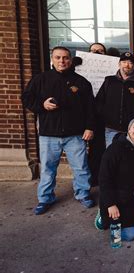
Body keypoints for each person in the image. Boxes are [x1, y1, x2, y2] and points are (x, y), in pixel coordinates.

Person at [21, 46, 96, 215]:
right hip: (49, 134)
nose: (62, 61)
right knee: (48, 168)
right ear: (52, 59)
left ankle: (83, 194)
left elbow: (91, 108)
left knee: (81, 167)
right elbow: (26, 98)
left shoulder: (81, 82)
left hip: (75, 134)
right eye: (58, 58)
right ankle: (45, 198)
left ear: (70, 60)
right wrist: (42, 105)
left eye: (65, 58)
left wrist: (89, 127)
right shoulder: (40, 79)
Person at [95, 118, 134, 242]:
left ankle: (124, 223)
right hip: (116, 199)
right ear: (128, 129)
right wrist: (110, 204)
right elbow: (104, 178)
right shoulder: (114, 149)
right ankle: (103, 216)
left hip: (133, 198)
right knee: (131, 235)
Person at [95, 52, 134, 148]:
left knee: (131, 159)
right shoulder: (109, 81)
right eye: (124, 62)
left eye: (130, 63)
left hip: (132, 130)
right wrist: (105, 117)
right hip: (111, 128)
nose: (127, 65)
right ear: (119, 64)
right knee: (112, 156)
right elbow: (99, 101)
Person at [87, 42, 107, 186]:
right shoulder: (81, 68)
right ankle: (93, 178)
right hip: (89, 114)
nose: (97, 53)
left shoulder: (110, 68)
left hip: (106, 116)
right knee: (93, 150)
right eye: (94, 51)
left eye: (100, 51)